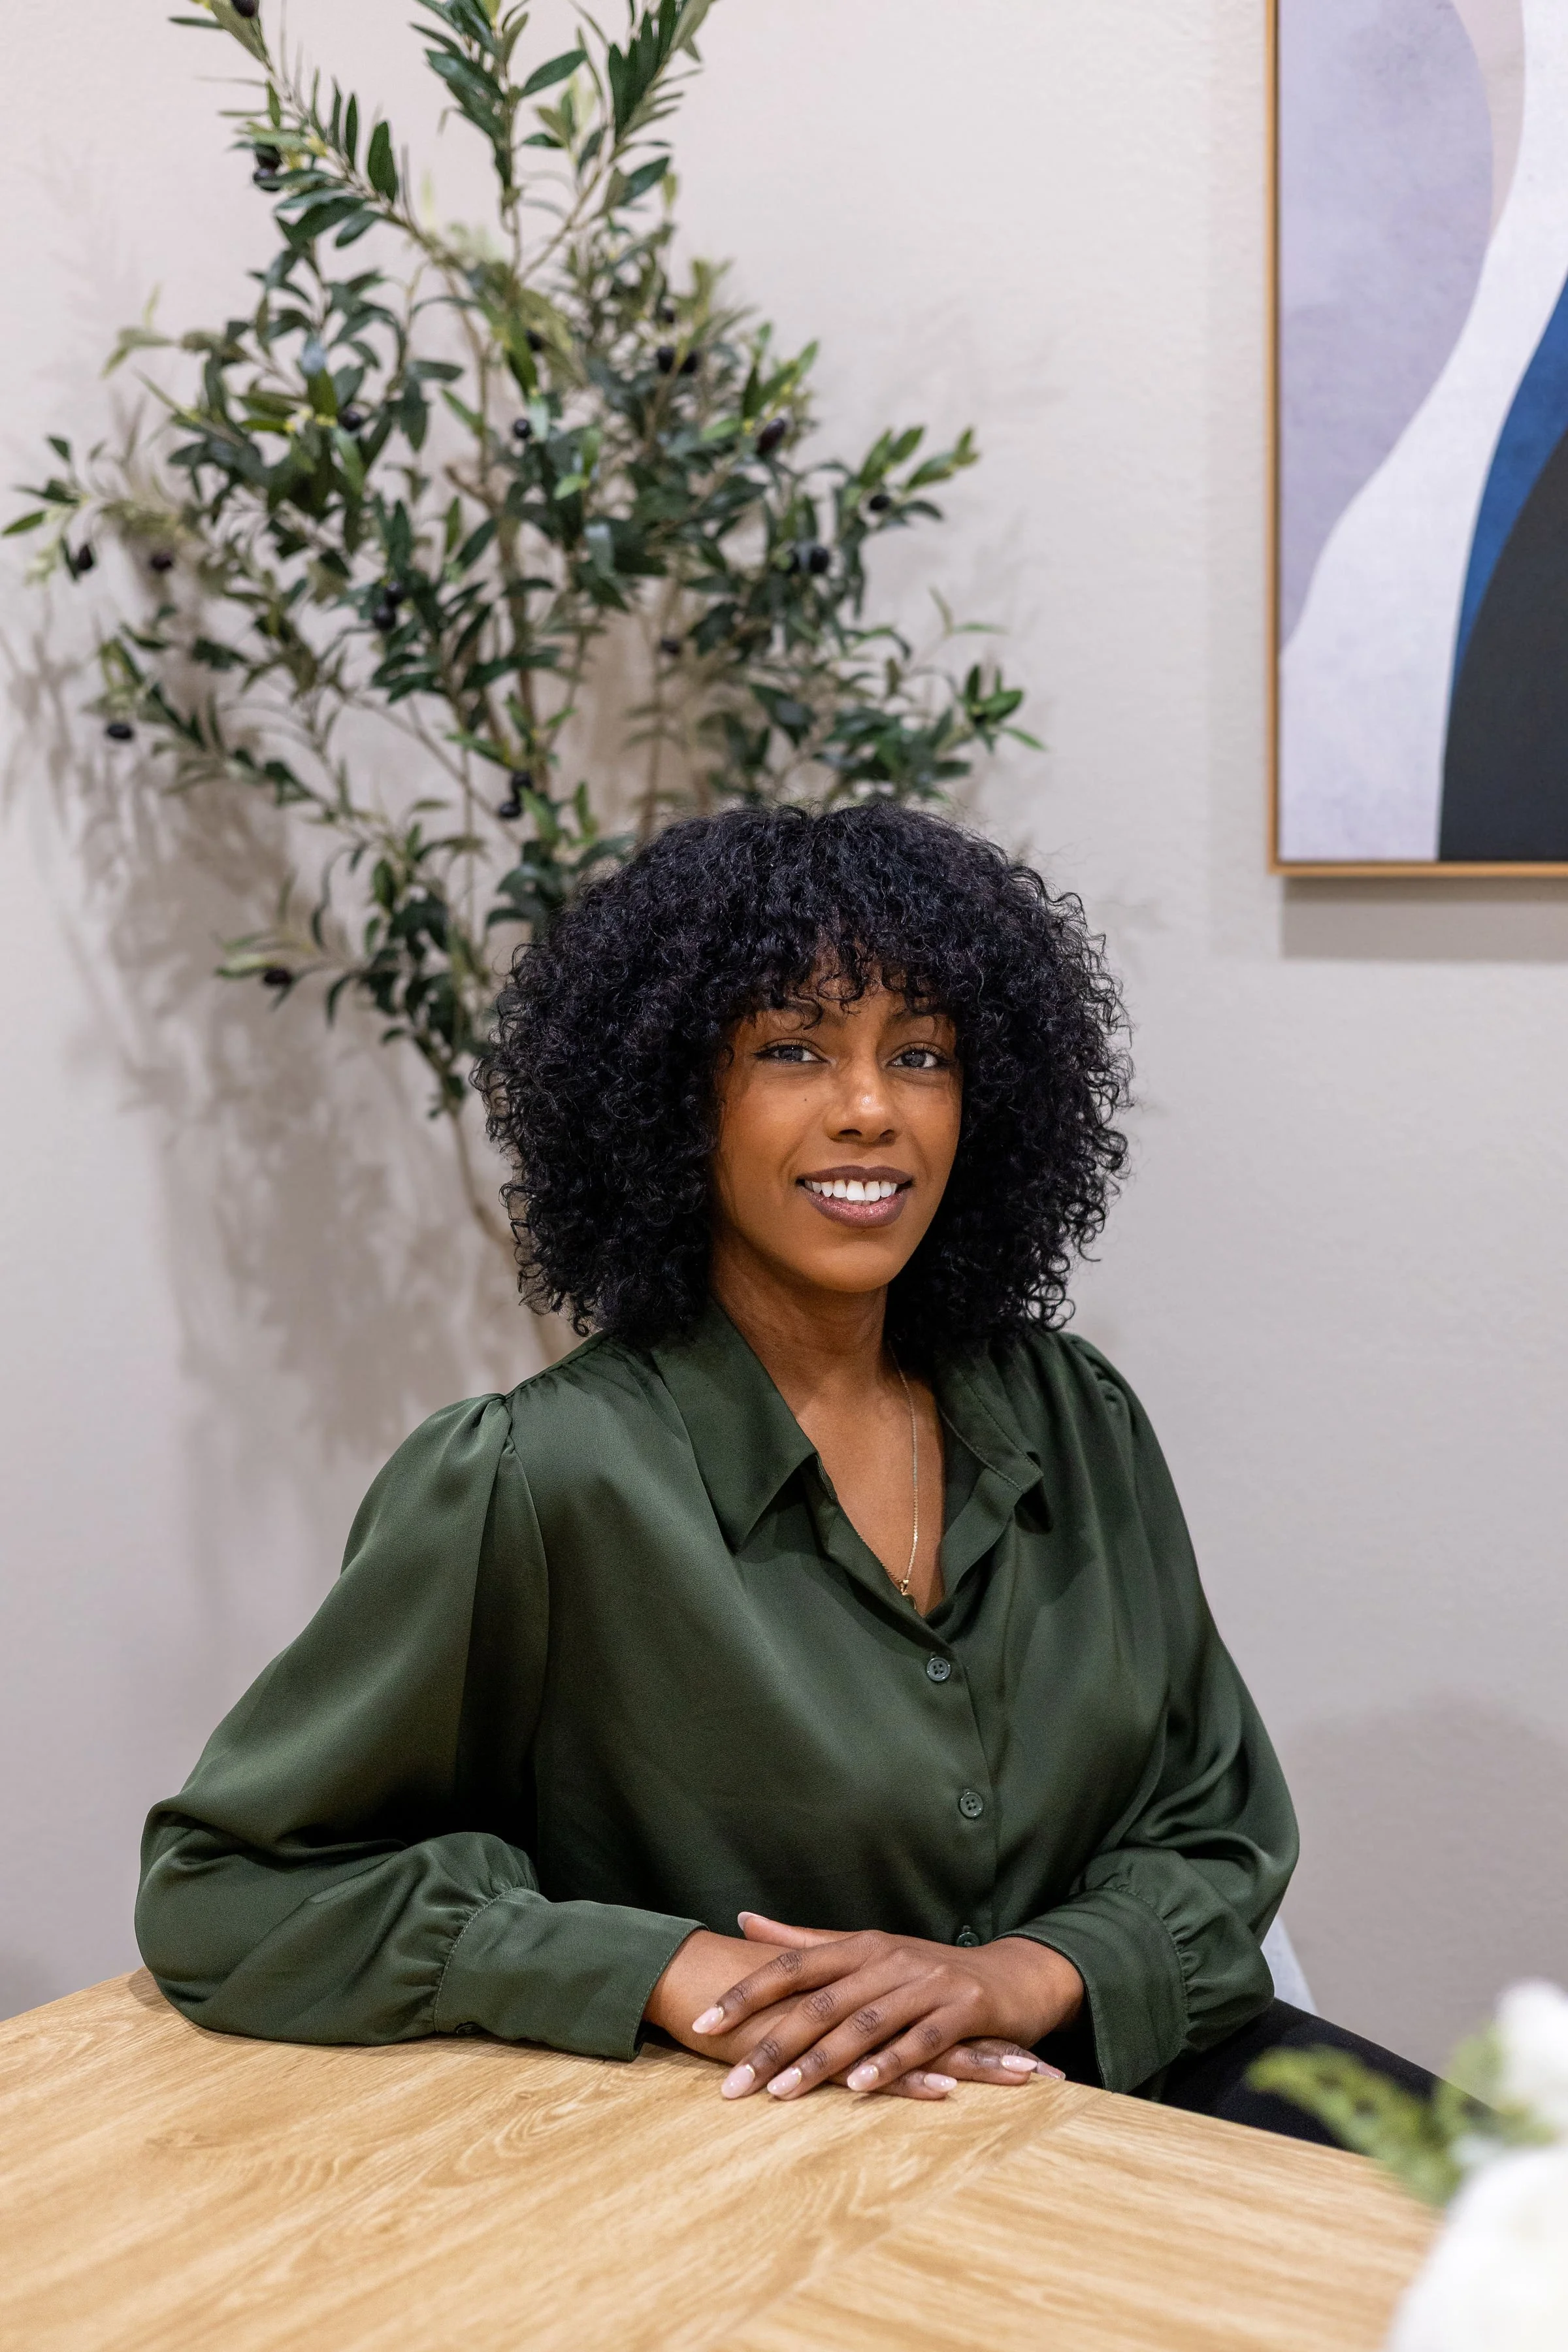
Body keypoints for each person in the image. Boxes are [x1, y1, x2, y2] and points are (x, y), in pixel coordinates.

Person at [137, 803, 1433, 2136]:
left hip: (1137, 2074)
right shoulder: (539, 1481)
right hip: (791, 2157)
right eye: (795, 1049)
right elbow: (227, 1885)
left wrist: (1016, 1975)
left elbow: (1216, 1829)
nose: (870, 1109)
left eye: (920, 1054)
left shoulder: (1076, 1418)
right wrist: (665, 1967)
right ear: (674, 1102)